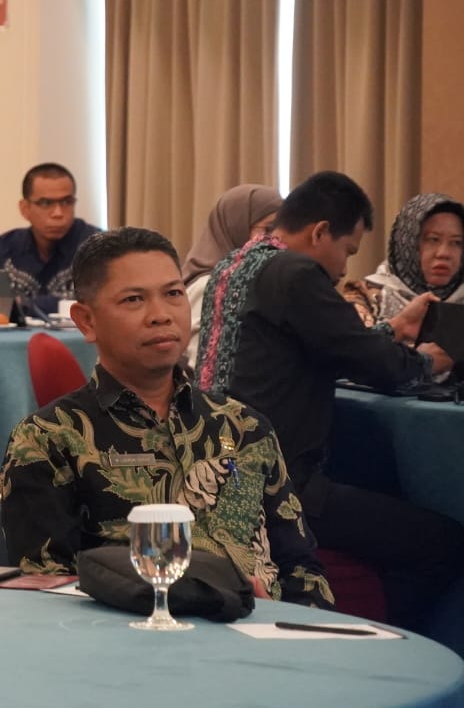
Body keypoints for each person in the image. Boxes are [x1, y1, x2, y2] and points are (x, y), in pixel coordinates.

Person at [0, 228, 332, 606]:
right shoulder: (48, 439)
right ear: (86, 321)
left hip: (263, 628)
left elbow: (302, 567)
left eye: (173, 294)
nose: (160, 316)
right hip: (132, 634)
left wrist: (302, 628)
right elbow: (47, 593)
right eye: (134, 299)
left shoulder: (244, 426)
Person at [196, 170, 464, 632]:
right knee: (442, 543)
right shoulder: (296, 273)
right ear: (320, 232)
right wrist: (427, 361)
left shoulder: (235, 264)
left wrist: (391, 329)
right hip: (278, 488)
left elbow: (319, 344)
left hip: (218, 475)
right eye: (347, 251)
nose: (343, 269)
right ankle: (391, 641)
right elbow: (376, 366)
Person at [181, 184, 281, 365]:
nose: (276, 240)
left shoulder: (257, 281)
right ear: (236, 227)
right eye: (268, 229)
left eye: (281, 230)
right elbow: (200, 366)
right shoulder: (209, 286)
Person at [0, 163, 101, 315]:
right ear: (25, 209)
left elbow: (90, 301)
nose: (58, 213)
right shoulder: (4, 247)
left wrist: (19, 305)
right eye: (46, 203)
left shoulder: (98, 246)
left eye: (66, 202)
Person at [342, 193, 464, 327]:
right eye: (433, 240)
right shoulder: (365, 297)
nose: (444, 253)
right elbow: (348, 340)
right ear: (406, 243)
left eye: (456, 242)